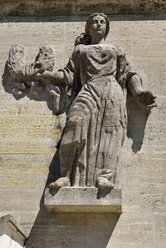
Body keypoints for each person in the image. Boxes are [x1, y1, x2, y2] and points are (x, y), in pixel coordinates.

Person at [34, 13, 156, 191]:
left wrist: (138, 92)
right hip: (88, 90)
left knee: (109, 136)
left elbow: (128, 73)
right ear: (88, 28)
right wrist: (44, 75)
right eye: (94, 22)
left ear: (107, 27)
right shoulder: (80, 51)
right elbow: (67, 76)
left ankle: (104, 176)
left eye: (102, 22)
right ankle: (66, 176)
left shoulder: (116, 49)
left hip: (111, 93)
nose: (98, 25)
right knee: (73, 126)